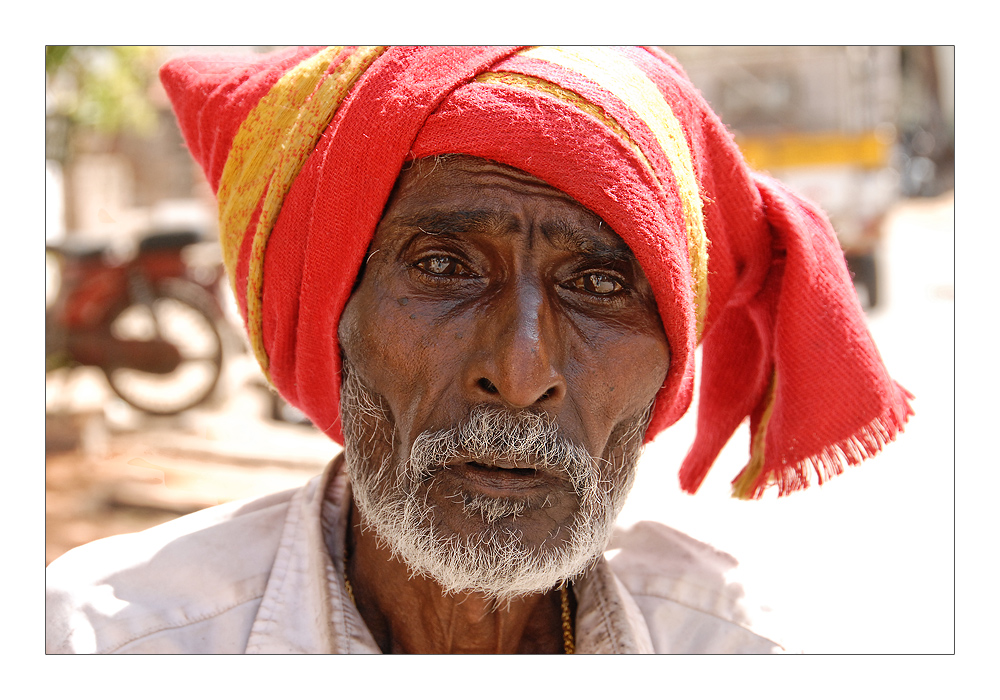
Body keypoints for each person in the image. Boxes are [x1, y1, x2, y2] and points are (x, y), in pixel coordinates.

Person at [45, 46, 913, 654]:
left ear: (667, 364)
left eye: (601, 285)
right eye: (442, 267)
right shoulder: (105, 648)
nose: (522, 371)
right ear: (327, 319)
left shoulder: (751, 656)